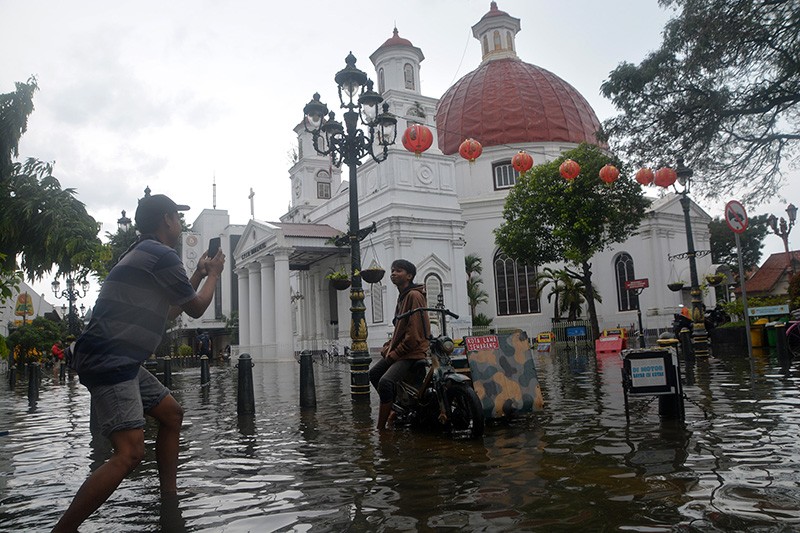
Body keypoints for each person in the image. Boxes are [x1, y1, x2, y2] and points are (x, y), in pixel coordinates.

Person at [53, 194, 225, 532]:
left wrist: (197, 274)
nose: (181, 222)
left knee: (172, 414)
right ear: (166, 219)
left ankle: (169, 501)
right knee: (130, 452)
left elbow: (172, 310)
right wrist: (214, 274)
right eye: (177, 216)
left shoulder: (140, 252)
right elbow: (196, 309)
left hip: (119, 359)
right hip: (109, 359)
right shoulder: (161, 254)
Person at [368, 259, 430, 431]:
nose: (394, 273)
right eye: (393, 270)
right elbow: (400, 329)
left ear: (409, 276)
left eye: (399, 271)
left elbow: (414, 334)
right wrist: (389, 345)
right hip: (402, 350)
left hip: (412, 352)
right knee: (374, 374)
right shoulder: (403, 297)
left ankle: (381, 428)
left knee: (385, 382)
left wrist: (394, 353)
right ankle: (396, 407)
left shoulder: (414, 296)